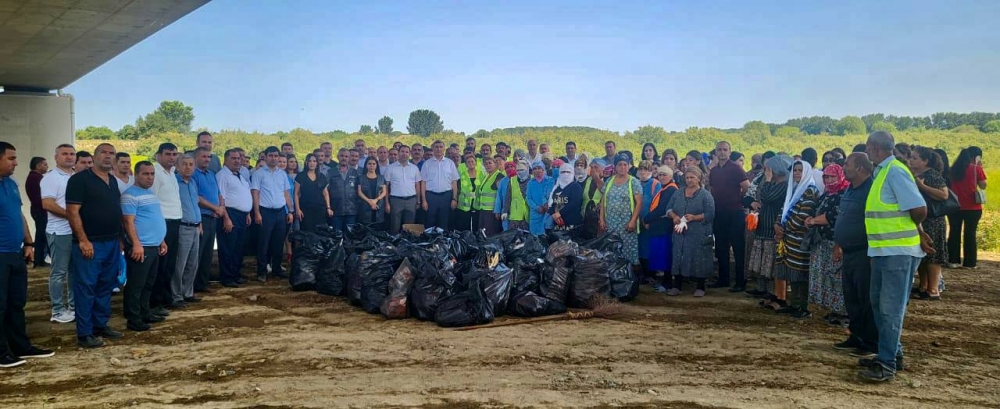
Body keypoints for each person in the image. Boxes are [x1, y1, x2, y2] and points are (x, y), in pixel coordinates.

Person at [859, 131, 931, 382]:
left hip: (898, 252)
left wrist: (917, 229)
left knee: (890, 308)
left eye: (868, 147)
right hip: (883, 251)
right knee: (879, 304)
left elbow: (919, 208)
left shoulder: (895, 171)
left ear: (875, 148)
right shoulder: (882, 172)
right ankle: (892, 353)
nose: (866, 152)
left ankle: (887, 363)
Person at [0, 141, 55, 367]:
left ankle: (20, 346)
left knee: (16, 302)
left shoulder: (11, 184)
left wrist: (29, 242)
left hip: (16, 254)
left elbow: (19, 214)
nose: (16, 162)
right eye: (11, 158)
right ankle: (1, 352)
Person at [65, 143, 124, 348]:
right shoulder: (79, 180)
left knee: (106, 285)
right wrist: (83, 240)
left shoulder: (112, 180)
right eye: (103, 153)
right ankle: (85, 333)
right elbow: (72, 212)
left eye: (111, 153)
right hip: (90, 243)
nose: (108, 156)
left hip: (112, 242)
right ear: (95, 156)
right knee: (86, 287)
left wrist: (120, 239)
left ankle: (100, 325)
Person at [832, 152, 878, 358]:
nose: (843, 167)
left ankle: (870, 343)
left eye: (847, 164)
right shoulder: (850, 188)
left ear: (860, 168)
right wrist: (839, 242)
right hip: (849, 252)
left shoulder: (872, 189)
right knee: (851, 298)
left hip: (864, 252)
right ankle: (856, 336)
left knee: (865, 298)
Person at [120, 161, 168, 332]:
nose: (150, 177)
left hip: (154, 246)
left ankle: (145, 312)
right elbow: (128, 222)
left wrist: (161, 240)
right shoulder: (129, 195)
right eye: (145, 174)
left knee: (148, 283)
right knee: (136, 285)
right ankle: (133, 318)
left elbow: (154, 219)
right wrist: (136, 244)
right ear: (136, 174)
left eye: (152, 174)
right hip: (141, 247)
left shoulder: (149, 193)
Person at [805, 163, 850, 325]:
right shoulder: (826, 194)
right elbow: (815, 210)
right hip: (821, 241)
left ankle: (843, 312)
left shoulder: (844, 194)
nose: (829, 180)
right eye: (826, 177)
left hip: (835, 242)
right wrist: (809, 219)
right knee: (826, 277)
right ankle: (833, 310)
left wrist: (814, 221)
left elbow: (834, 216)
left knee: (837, 277)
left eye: (832, 177)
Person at [774, 160, 820, 319]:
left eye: (800, 170)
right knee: (792, 273)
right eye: (795, 170)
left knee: (801, 274)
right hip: (788, 239)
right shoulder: (794, 189)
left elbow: (802, 216)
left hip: (800, 239)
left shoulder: (810, 191)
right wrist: (777, 225)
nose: (797, 173)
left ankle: (803, 307)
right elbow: (783, 209)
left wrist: (784, 229)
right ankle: (794, 304)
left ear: (807, 172)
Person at [664, 166, 715, 297]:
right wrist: (674, 216)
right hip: (680, 233)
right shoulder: (678, 193)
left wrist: (694, 217)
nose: (689, 180)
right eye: (687, 178)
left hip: (698, 232)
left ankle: (700, 286)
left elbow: (710, 214)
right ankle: (677, 286)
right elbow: (668, 208)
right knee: (678, 255)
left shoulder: (705, 195)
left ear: (699, 179)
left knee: (699, 257)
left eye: (692, 177)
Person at [40, 144, 77, 324]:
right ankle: (57, 310)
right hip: (60, 231)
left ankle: (73, 306)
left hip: (75, 231)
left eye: (72, 154)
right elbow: (48, 204)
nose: (69, 157)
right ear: (56, 157)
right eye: (64, 154)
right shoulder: (51, 178)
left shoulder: (75, 176)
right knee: (59, 272)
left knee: (73, 271)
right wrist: (72, 216)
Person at [749, 155, 791, 308]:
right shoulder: (775, 184)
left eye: (768, 169)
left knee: (771, 262)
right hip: (764, 226)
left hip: (772, 229)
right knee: (763, 262)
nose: (767, 172)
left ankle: (774, 293)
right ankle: (766, 291)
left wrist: (766, 180)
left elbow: (766, 197)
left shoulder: (783, 186)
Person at [908, 146, 949, 300]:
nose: (911, 160)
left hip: (933, 220)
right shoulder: (916, 174)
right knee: (923, 254)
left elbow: (944, 195)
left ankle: (933, 289)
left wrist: (923, 187)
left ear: (925, 161)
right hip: (923, 219)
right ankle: (923, 286)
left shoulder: (932, 174)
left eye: (915, 158)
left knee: (933, 255)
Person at [708, 141, 750, 292]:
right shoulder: (713, 171)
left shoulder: (736, 168)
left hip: (735, 212)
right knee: (721, 247)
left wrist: (738, 199)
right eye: (719, 150)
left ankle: (740, 281)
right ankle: (723, 279)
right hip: (719, 212)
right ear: (716, 152)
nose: (722, 152)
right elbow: (711, 189)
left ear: (729, 152)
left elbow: (746, 186)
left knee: (738, 248)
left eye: (725, 150)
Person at [251, 146, 293, 282]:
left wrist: (290, 211)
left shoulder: (282, 174)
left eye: (276, 156)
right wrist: (257, 212)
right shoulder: (258, 174)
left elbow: (286, 193)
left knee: (278, 243)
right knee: (263, 243)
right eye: (271, 156)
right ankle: (262, 271)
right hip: (265, 212)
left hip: (280, 212)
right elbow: (255, 194)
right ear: (265, 156)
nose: (273, 158)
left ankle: (276, 268)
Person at [150, 143, 182, 311]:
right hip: (163, 223)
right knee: (160, 265)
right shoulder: (155, 173)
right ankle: (155, 303)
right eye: (168, 154)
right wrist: (159, 231)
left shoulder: (172, 173)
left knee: (170, 264)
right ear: (159, 155)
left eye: (174, 154)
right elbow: (153, 201)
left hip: (175, 222)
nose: (171, 157)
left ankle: (166, 298)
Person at [216, 149, 252, 288]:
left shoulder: (240, 175)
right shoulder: (222, 176)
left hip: (242, 215)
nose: (237, 161)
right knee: (228, 247)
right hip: (230, 214)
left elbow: (244, 195)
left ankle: (235, 273)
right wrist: (226, 218)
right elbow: (221, 198)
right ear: (225, 160)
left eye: (238, 158)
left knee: (238, 246)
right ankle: (227, 277)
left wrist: (247, 213)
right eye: (233, 158)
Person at [947, 146, 986, 269]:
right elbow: (983, 185)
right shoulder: (976, 169)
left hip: (954, 206)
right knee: (970, 234)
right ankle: (969, 263)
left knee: (954, 232)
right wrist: (980, 166)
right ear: (977, 157)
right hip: (973, 207)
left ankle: (953, 261)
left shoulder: (952, 169)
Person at [600, 154, 642, 265]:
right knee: (613, 249)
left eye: (625, 164)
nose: (622, 167)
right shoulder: (609, 181)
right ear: (615, 166)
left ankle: (628, 273)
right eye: (620, 164)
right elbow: (603, 201)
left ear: (628, 166)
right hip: (611, 224)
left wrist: (633, 221)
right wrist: (602, 219)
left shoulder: (633, 182)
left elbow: (639, 203)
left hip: (627, 224)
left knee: (628, 251)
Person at [171, 154, 202, 307]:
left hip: (195, 226)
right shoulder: (174, 182)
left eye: (191, 164)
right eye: (184, 164)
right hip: (183, 226)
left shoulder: (192, 182)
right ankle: (176, 296)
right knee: (180, 263)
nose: (188, 167)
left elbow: (195, 203)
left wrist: (200, 223)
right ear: (177, 166)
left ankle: (187, 292)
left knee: (192, 263)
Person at [192, 147, 223, 293]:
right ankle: (191, 286)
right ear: (196, 158)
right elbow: (197, 197)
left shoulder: (211, 174)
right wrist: (215, 208)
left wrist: (221, 207)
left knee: (208, 253)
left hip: (213, 217)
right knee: (198, 253)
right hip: (201, 217)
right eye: (204, 156)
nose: (207, 159)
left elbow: (219, 193)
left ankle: (202, 284)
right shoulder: (193, 174)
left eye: (209, 157)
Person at [643, 166, 678, 292]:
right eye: (660, 175)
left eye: (664, 175)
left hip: (664, 227)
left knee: (665, 255)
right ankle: (664, 281)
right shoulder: (665, 188)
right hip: (659, 226)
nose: (662, 177)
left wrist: (647, 218)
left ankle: (667, 283)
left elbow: (662, 209)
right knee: (661, 255)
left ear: (670, 176)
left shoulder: (671, 189)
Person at [420, 140, 460, 231]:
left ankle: (442, 239)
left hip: (446, 196)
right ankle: (430, 238)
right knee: (430, 220)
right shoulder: (427, 164)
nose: (438, 149)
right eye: (436, 147)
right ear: (433, 148)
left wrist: (454, 199)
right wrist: (424, 200)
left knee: (444, 221)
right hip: (431, 196)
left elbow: (454, 182)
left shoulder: (450, 163)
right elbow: (423, 183)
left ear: (444, 148)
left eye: (441, 147)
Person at [384, 145, 422, 234]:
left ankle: (408, 242)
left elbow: (417, 185)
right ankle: (394, 242)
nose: (404, 154)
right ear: (398, 153)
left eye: (406, 152)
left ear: (410, 154)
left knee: (410, 227)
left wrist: (418, 201)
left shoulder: (414, 168)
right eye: (402, 151)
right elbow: (386, 186)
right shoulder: (390, 168)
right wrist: (387, 203)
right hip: (396, 200)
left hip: (411, 200)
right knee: (395, 226)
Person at [635, 160, 661, 284]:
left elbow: (656, 204)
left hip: (649, 221)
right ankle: (641, 274)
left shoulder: (655, 184)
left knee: (649, 247)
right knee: (638, 247)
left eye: (646, 169)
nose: (643, 172)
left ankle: (651, 274)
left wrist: (648, 219)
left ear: (651, 171)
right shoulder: (635, 182)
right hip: (636, 220)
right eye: (641, 169)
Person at [295, 154, 332, 233]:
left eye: (314, 161)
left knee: (320, 233)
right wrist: (298, 209)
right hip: (305, 210)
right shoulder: (300, 176)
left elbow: (326, 193)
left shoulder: (321, 176)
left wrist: (328, 208)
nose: (312, 163)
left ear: (317, 163)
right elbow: (296, 194)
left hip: (320, 209)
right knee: (306, 233)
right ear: (306, 163)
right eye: (310, 161)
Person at [327, 148, 359, 232]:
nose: (344, 158)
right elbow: (326, 191)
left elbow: (359, 190)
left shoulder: (354, 172)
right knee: (337, 235)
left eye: (346, 156)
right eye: (342, 156)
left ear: (349, 158)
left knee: (350, 235)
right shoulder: (330, 172)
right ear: (337, 157)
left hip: (351, 210)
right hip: (336, 209)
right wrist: (328, 207)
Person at [26, 156, 48, 268]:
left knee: (41, 234)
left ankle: (40, 259)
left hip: (37, 209)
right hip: (40, 210)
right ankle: (39, 259)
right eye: (45, 164)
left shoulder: (34, 177)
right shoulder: (37, 178)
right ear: (38, 166)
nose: (47, 166)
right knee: (42, 235)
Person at [475, 157, 505, 235]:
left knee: (491, 234)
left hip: (492, 212)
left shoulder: (499, 176)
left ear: (495, 164)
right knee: (482, 233)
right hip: (483, 210)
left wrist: (498, 210)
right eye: (486, 164)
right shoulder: (486, 176)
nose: (488, 165)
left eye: (490, 163)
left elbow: (501, 195)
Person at [357, 157, 387, 229]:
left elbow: (384, 192)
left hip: (378, 206)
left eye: (374, 164)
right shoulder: (360, 178)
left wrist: (376, 200)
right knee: (365, 230)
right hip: (365, 207)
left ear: (376, 165)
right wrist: (369, 201)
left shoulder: (382, 178)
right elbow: (359, 192)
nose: (371, 166)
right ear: (366, 165)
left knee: (378, 230)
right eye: (369, 164)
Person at [578, 161, 605, 241]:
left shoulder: (606, 179)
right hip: (585, 217)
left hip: (598, 218)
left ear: (602, 169)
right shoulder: (586, 180)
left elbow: (604, 190)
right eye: (591, 167)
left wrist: (596, 178)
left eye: (596, 167)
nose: (593, 169)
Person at [502, 160, 532, 232]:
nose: (520, 172)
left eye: (522, 170)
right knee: (514, 235)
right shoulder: (512, 180)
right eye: (518, 170)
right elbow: (508, 197)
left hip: (529, 215)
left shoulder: (532, 179)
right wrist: (505, 211)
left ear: (527, 169)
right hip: (515, 216)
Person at [454, 154, 481, 231]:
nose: (470, 163)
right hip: (464, 206)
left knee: (476, 227)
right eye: (468, 162)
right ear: (465, 164)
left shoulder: (482, 174)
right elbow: (457, 189)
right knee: (464, 227)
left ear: (475, 163)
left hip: (477, 204)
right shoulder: (461, 175)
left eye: (472, 161)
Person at [526, 162, 554, 236]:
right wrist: (537, 208)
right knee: (535, 237)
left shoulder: (551, 181)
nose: (537, 170)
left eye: (539, 168)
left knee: (548, 235)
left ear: (543, 169)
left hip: (548, 212)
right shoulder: (530, 183)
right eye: (535, 169)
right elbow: (529, 198)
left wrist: (547, 205)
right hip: (536, 214)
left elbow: (553, 195)